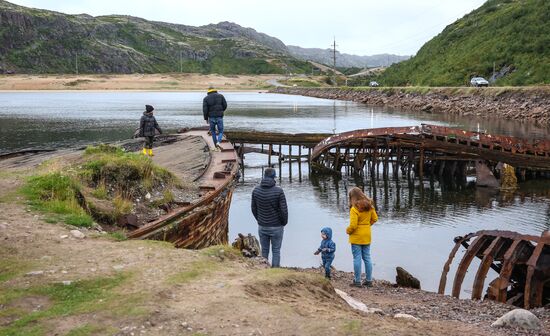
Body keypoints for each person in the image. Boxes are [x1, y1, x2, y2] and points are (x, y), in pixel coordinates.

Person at [251, 168, 288, 267]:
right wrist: (283, 223)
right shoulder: (279, 191)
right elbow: (284, 211)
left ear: (264, 176)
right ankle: (275, 270)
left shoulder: (256, 190)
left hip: (262, 226)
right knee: (276, 250)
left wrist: (260, 220)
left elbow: (253, 209)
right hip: (276, 227)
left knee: (265, 250)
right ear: (273, 177)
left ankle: (264, 270)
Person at [346, 187, 378, 287]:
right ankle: (369, 280)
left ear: (352, 197)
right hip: (367, 235)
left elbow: (353, 225)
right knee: (367, 257)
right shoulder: (370, 206)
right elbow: (375, 219)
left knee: (357, 258)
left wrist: (348, 230)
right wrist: (367, 226)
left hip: (356, 237)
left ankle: (357, 281)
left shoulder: (354, 209)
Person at [202, 86, 227, 151]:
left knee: (213, 131)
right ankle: (219, 142)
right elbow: (225, 105)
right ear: (215, 90)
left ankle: (216, 146)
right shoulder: (221, 96)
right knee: (221, 131)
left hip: (211, 117)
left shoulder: (206, 98)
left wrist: (206, 118)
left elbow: (205, 110)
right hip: (219, 116)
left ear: (208, 91)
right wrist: (221, 111)